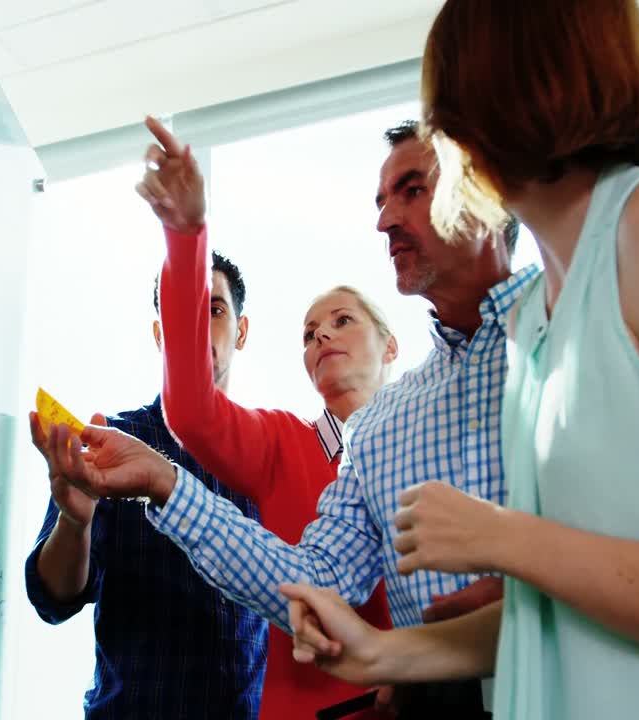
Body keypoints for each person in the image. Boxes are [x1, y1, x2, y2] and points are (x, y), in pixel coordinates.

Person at [277, 2, 639, 719]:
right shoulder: (539, 322)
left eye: (449, 108)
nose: (446, 134)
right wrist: (380, 653)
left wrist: (504, 538)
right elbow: (563, 607)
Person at [39, 118, 536, 718]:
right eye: (308, 332)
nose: (383, 220)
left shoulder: (578, 327)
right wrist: (164, 483)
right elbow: (315, 577)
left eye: (412, 190)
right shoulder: (369, 434)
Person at [136, 116, 394, 718]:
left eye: (343, 320)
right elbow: (193, 411)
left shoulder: (428, 436)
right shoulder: (281, 441)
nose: (322, 334)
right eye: (309, 332)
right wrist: (185, 235)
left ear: (390, 345)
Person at [23, 252, 268, 719]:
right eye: (180, 312)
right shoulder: (112, 445)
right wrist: (75, 520)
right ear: (161, 334)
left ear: (241, 331)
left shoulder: (266, 458)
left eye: (214, 310)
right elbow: (52, 599)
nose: (197, 326)